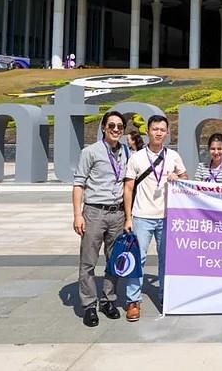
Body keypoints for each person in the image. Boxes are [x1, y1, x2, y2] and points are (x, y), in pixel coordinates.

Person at [123, 115, 188, 322]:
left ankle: (165, 296)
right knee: (137, 260)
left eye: (162, 129)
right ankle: (133, 301)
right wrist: (128, 217)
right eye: (154, 129)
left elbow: (186, 179)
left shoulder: (173, 156)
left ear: (167, 133)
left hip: (167, 216)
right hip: (142, 216)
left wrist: (178, 177)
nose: (158, 132)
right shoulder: (137, 157)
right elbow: (128, 187)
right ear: (147, 131)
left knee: (166, 260)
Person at [71, 111, 129, 327]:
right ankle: (89, 305)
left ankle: (108, 299)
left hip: (118, 213)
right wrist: (78, 215)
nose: (116, 129)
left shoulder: (125, 151)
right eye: (112, 125)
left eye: (120, 127)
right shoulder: (90, 152)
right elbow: (79, 183)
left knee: (115, 261)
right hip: (94, 212)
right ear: (104, 127)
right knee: (88, 261)